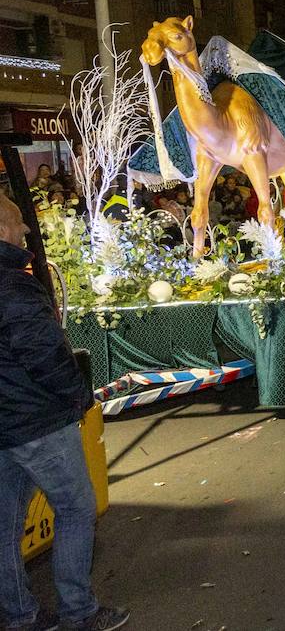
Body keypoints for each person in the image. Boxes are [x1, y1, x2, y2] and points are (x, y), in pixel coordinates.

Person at [0, 194, 128, 631]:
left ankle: (19, 615)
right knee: (76, 509)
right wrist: (78, 396)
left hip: (5, 424)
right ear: (2, 229)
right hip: (37, 418)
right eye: (18, 224)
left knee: (5, 525)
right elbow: (45, 354)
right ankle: (80, 611)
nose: (25, 232)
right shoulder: (13, 286)